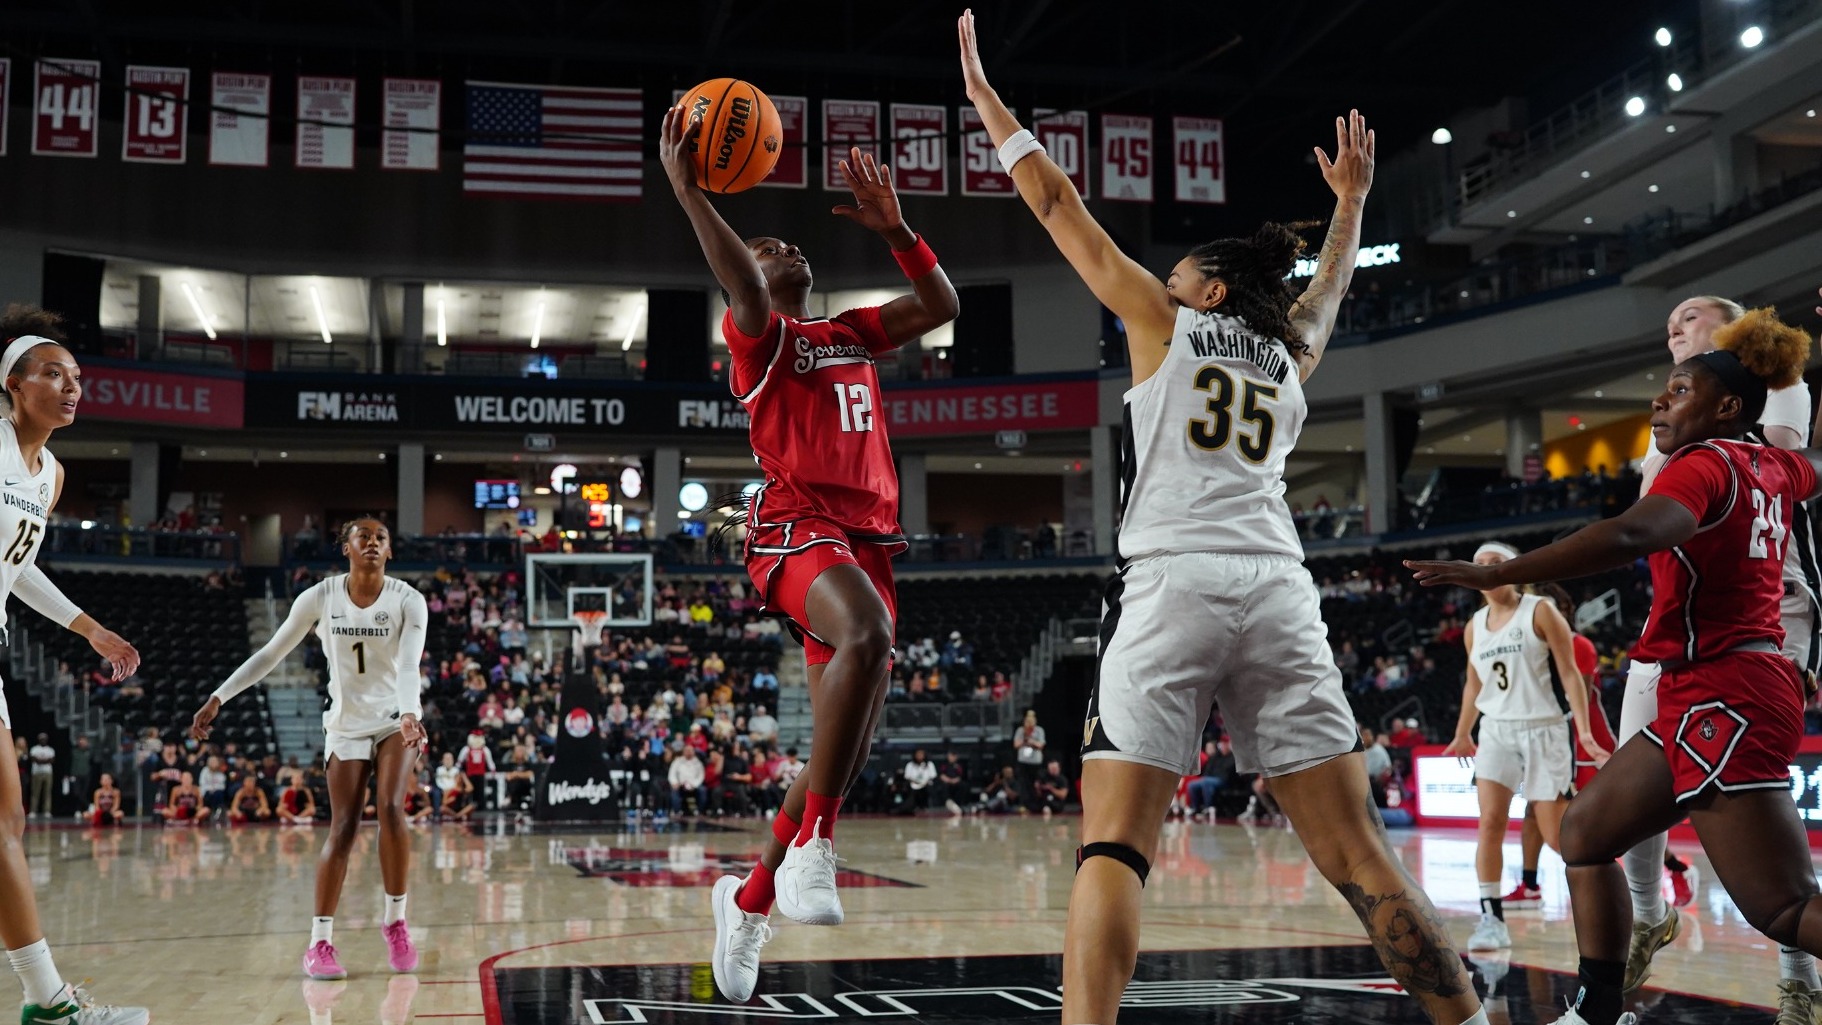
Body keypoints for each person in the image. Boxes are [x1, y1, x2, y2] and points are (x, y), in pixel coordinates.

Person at [959, 15, 1484, 1025]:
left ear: (1204, 288)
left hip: (1173, 581)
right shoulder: (1288, 357)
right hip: (1278, 586)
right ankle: (1470, 1020)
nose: (1158, 284)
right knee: (1358, 851)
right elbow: (1327, 293)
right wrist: (1351, 205)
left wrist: (986, 99)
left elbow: (1055, 202)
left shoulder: (1164, 323)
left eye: (1174, 274)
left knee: (1113, 844)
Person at [1407, 308, 1822, 1025]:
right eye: (1662, 388)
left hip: (1726, 692)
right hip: (1718, 687)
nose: (1660, 400)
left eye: (1679, 388)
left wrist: (1502, 573)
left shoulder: (1706, 464)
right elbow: (1816, 462)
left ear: (1726, 406)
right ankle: (1596, 1010)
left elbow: (1632, 531)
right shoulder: (1775, 465)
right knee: (1585, 833)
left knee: (1781, 906)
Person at [659, 98, 960, 1004]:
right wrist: (686, 190)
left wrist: (899, 228)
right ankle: (815, 848)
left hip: (867, 544)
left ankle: (747, 900)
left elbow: (941, 303)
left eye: (784, 243)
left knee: (844, 740)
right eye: (763, 245)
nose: (780, 244)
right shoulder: (761, 338)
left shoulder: (851, 332)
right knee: (865, 641)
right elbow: (743, 290)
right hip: (796, 527)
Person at [1610, 294, 1813, 1012]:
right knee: (1621, 789)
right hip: (1684, 618)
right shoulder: (1675, 408)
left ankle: (1801, 977)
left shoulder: (1767, 385)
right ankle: (1647, 914)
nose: (1674, 323)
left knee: (1765, 816)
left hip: (1766, 608)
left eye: (1691, 314)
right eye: (1669, 319)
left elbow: (1780, 463)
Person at [191, 517, 429, 981]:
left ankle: (396, 922)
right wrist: (219, 696)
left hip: (394, 719)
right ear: (346, 547)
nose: (374, 543)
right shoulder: (319, 597)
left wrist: (409, 713)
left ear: (390, 551)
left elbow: (409, 665)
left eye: (382, 538)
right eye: (364, 537)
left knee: (391, 810)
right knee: (342, 827)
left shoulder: (408, 600)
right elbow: (270, 654)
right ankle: (320, 941)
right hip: (344, 724)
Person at [0, 309, 148, 1024]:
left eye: (78, 377)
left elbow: (18, 569)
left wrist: (91, 629)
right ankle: (49, 1000)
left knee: (9, 818)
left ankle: (44, 998)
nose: (71, 387)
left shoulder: (50, 474)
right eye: (53, 373)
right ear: (13, 383)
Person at [1444, 541, 1609, 952]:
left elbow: (1571, 674)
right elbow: (1473, 682)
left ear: (1514, 568)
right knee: (1490, 822)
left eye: (1495, 563)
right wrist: (1463, 732)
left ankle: (1616, 903)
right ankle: (1491, 920)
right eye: (1479, 565)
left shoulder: (1539, 610)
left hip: (1543, 728)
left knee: (1558, 836)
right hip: (1497, 730)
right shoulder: (1474, 625)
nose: (1486, 569)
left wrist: (1584, 731)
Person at [26, 735, 53, 820]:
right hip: (36, 773)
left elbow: (52, 760)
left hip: (48, 773)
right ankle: (33, 811)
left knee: (47, 792)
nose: (43, 740)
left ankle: (47, 811)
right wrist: (44, 760)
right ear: (39, 740)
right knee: (35, 792)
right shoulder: (35, 749)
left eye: (44, 739)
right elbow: (33, 759)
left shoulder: (50, 749)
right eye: (41, 739)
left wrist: (40, 761)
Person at [901, 749, 936, 813]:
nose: (919, 756)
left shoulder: (929, 764)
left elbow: (933, 776)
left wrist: (924, 783)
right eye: (918, 754)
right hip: (913, 784)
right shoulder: (910, 765)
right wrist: (914, 782)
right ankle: (911, 807)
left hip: (926, 784)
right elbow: (907, 777)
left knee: (928, 789)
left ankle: (924, 807)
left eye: (921, 754)